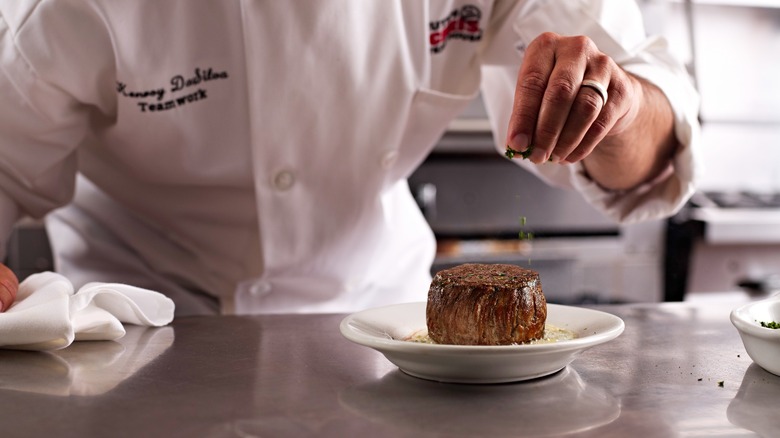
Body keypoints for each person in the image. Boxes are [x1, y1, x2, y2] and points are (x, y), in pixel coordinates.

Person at [0, 0, 700, 315]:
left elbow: (647, 142)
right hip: (144, 325)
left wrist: (620, 109)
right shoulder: (63, 7)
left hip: (379, 332)